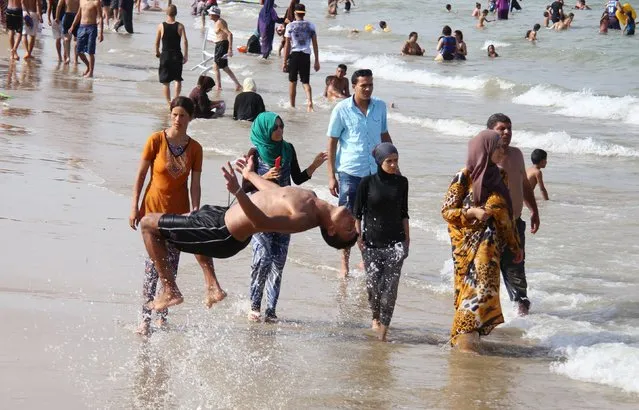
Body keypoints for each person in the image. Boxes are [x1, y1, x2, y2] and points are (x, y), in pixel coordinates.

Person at [139, 154, 358, 312]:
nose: (351, 220)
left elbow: (260, 221)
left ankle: (170, 290)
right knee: (195, 217)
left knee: (148, 224)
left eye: (348, 229)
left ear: (331, 229)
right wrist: (250, 174)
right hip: (223, 218)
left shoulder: (304, 218)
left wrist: (237, 191)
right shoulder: (311, 197)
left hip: (224, 232)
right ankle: (212, 286)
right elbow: (276, 193)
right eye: (354, 225)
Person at [130, 97, 223, 336]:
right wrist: (134, 207)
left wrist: (195, 210)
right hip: (152, 211)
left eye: (182, 115)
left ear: (191, 118)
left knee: (171, 264)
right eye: (174, 114)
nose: (178, 119)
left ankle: (162, 315)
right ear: (170, 115)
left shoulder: (195, 148)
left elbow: (195, 184)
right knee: (153, 267)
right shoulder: (156, 140)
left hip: (179, 214)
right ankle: (145, 318)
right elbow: (141, 176)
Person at [441, 130, 522, 353]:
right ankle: (465, 343)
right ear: (485, 150)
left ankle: (470, 337)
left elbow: (506, 213)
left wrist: (515, 244)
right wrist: (471, 213)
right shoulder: (463, 176)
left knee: (486, 292)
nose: (501, 151)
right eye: (497, 147)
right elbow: (447, 211)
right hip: (467, 248)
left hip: (492, 246)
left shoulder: (501, 175)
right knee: (473, 293)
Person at [243, 112, 328, 322]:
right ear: (265, 130)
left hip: (285, 215)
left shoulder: (288, 149)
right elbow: (245, 185)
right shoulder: (254, 153)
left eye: (281, 126)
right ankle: (254, 306)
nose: (280, 131)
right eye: (275, 128)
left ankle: (271, 311)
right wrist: (263, 177)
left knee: (278, 262)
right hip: (262, 214)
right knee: (262, 258)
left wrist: (314, 165)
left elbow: (297, 178)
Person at [326, 69, 393, 277]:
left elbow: (384, 135)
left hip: (375, 171)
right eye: (363, 85)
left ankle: (367, 261)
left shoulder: (380, 107)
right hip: (350, 171)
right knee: (347, 219)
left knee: (373, 219)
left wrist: (393, 162)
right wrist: (331, 175)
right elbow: (332, 142)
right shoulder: (341, 109)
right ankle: (344, 263)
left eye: (370, 85)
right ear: (353, 86)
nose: (367, 89)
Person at [354, 142, 409, 342]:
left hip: (395, 245)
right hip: (371, 245)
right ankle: (375, 317)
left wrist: (407, 241)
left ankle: (383, 333)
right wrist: (359, 238)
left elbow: (404, 213)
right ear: (379, 161)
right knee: (373, 289)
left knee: (390, 291)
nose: (394, 165)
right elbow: (357, 214)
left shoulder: (402, 183)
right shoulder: (366, 183)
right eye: (389, 161)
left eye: (396, 161)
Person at [487, 113, 540, 316]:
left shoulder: (517, 154)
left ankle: (522, 324)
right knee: (488, 275)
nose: (507, 132)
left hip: (515, 224)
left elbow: (525, 185)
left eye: (509, 128)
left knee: (517, 273)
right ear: (490, 131)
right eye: (502, 128)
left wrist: (533, 210)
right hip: (490, 227)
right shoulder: (485, 157)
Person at [283, 3, 320, 111]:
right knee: (305, 82)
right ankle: (309, 101)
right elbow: (315, 44)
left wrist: (284, 62)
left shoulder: (290, 26)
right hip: (306, 55)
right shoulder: (311, 25)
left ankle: (292, 105)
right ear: (304, 13)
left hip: (294, 55)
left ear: (295, 13)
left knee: (292, 81)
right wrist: (317, 60)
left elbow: (287, 45)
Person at [155, 5, 188, 108]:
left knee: (166, 81)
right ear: (176, 13)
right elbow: (185, 41)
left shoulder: (161, 26)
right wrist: (186, 55)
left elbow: (157, 42)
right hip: (177, 55)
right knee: (177, 79)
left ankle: (169, 102)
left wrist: (157, 52)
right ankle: (176, 99)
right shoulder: (180, 26)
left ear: (166, 13)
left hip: (165, 55)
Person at [207, 5, 242, 91]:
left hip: (222, 45)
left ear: (215, 14)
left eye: (210, 13)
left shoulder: (220, 22)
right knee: (225, 67)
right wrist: (215, 41)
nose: (209, 15)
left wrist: (230, 48)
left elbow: (229, 34)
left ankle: (219, 86)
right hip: (220, 44)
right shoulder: (217, 22)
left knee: (216, 66)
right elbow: (221, 35)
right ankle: (237, 84)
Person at [68, 0, 104, 78]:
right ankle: (88, 66)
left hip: (92, 27)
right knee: (79, 51)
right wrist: (72, 26)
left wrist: (101, 32)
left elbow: (100, 17)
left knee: (90, 51)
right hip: (81, 27)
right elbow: (78, 14)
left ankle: (91, 72)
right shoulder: (81, 1)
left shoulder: (96, 2)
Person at [56, 0, 79, 65]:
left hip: (67, 15)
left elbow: (59, 5)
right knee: (76, 39)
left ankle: (68, 57)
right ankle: (75, 59)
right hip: (76, 16)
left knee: (66, 38)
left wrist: (57, 17)